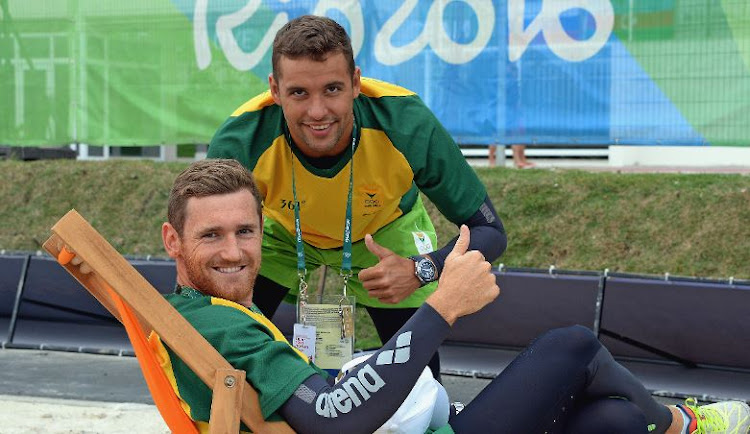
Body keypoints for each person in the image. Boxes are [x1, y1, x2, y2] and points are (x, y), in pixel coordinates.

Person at [128, 158, 746, 433]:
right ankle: (688, 424)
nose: (235, 251)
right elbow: (329, 419)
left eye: (244, 231)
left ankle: (673, 423)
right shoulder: (220, 326)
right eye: (211, 235)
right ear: (172, 241)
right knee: (573, 346)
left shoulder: (209, 316)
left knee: (615, 419)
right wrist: (442, 304)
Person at [206, 15, 507, 379]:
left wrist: (421, 268)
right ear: (274, 90)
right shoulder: (241, 140)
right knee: (220, 338)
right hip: (287, 235)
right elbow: (201, 242)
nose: (318, 112)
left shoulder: (405, 122)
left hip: (382, 232)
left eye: (332, 89)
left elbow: (490, 231)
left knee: (419, 377)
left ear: (356, 83)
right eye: (299, 93)